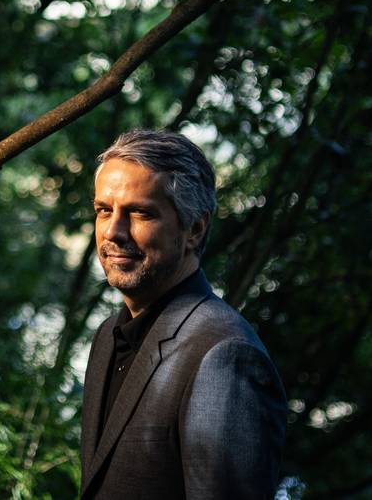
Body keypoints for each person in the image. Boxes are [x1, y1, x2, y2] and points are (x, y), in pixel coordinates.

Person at [80, 129, 287, 499]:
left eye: (140, 213)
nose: (113, 231)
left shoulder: (226, 355)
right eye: (103, 210)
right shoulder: (107, 336)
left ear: (194, 228)